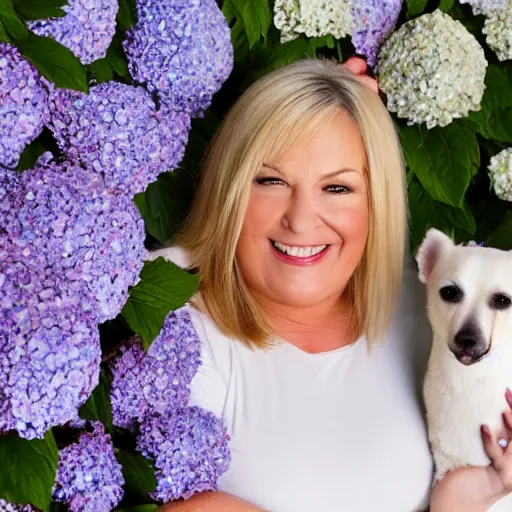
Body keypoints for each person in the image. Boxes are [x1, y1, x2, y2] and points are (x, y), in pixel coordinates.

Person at [152, 58, 512, 511]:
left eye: (337, 188)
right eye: (271, 180)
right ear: (230, 190)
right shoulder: (178, 318)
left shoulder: (433, 312)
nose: (300, 220)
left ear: (375, 200)